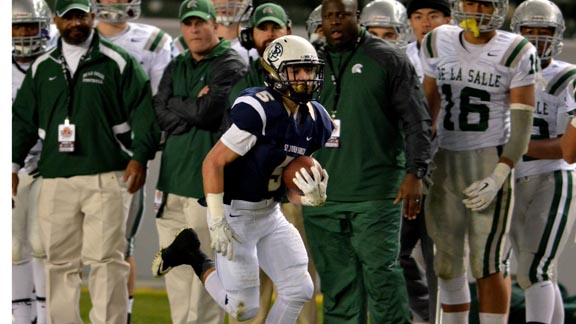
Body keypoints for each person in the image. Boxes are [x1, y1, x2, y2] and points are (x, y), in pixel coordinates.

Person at [152, 34, 334, 324]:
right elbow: (212, 163)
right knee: (243, 309)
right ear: (275, 74)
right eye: (296, 70)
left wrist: (309, 195)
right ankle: (194, 256)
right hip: (236, 215)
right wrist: (216, 220)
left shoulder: (316, 119)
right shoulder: (261, 109)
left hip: (270, 214)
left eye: (309, 70)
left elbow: (287, 173)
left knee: (300, 288)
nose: (305, 78)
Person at [11, 0, 161, 322]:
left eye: (81, 16)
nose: (75, 23)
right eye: (68, 17)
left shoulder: (119, 61)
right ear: (56, 21)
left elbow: (144, 114)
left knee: (106, 260)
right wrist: (11, 164)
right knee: (59, 262)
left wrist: (140, 159)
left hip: (107, 175)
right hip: (56, 177)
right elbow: (22, 119)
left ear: (92, 17)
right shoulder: (43, 67)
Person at [303, 0, 433, 323]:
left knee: (383, 280)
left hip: (376, 193)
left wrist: (416, 172)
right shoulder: (309, 60)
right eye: (329, 17)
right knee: (336, 285)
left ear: (356, 17)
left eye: (342, 15)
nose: (335, 23)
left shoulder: (388, 58)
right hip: (321, 195)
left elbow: (418, 121)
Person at [420, 0, 537, 323]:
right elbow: (427, 106)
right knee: (446, 259)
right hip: (444, 158)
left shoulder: (516, 49)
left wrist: (500, 175)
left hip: (489, 157)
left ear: (498, 9)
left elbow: (522, 124)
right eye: (470, 2)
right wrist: (419, 159)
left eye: (484, 4)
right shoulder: (437, 39)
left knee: (487, 263)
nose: (476, 11)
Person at [151, 0, 247, 323]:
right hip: (170, 183)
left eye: (200, 22)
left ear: (215, 24)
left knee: (207, 274)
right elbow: (160, 113)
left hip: (205, 188)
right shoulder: (176, 64)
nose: (194, 29)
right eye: (188, 23)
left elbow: (208, 113)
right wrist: (192, 106)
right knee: (176, 275)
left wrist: (182, 107)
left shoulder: (231, 63)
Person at [92, 1, 172, 322]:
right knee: (59, 252)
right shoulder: (73, 35)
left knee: (120, 247)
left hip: (125, 157)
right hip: (72, 157)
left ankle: (121, 316)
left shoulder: (153, 40)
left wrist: (141, 149)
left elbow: (158, 107)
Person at [509, 1, 576, 323]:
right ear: (516, 33)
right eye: (528, 31)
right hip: (509, 178)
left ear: (557, 35)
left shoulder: (568, 76)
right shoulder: (505, 70)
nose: (537, 38)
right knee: (534, 272)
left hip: (553, 178)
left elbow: (568, 149)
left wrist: (514, 147)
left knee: (534, 269)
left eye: (544, 31)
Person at [11, 1, 51, 323]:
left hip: (47, 167)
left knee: (43, 246)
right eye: (17, 27)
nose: (24, 34)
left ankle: (46, 315)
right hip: (9, 168)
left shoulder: (54, 65)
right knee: (13, 247)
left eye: (29, 26)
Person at [228, 2, 292, 101]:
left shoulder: (305, 70)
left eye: (276, 27)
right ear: (250, 35)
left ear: (288, 32)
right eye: (263, 28)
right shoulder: (243, 77)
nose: (270, 34)